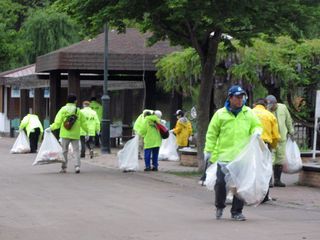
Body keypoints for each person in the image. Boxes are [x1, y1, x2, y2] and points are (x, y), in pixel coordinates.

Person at [204, 85, 262, 221]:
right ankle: (219, 205)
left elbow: (256, 125)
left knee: (239, 186)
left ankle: (237, 211)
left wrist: (257, 132)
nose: (240, 100)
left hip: (242, 157)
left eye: (242, 97)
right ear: (230, 98)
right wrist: (208, 150)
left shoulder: (248, 113)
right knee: (220, 184)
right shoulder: (220, 114)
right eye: (237, 97)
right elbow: (212, 134)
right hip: (224, 156)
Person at [46, 94, 88, 174]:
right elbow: (84, 123)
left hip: (65, 133)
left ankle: (64, 168)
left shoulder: (63, 109)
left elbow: (57, 122)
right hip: (75, 134)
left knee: (64, 151)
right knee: (76, 151)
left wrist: (51, 128)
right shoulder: (78, 110)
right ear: (75, 101)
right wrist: (87, 132)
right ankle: (77, 166)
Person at [253, 98, 281, 202]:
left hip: (252, 144)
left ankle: (250, 193)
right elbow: (275, 136)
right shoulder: (270, 115)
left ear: (255, 104)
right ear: (265, 105)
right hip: (265, 144)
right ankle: (265, 195)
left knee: (252, 168)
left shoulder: (249, 113)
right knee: (265, 169)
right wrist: (273, 146)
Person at [265, 95, 295, 187]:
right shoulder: (266, 111)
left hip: (282, 138)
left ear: (275, 103)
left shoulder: (283, 107)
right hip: (272, 139)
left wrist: (291, 131)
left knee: (280, 160)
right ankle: (268, 181)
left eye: (271, 105)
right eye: (268, 105)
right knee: (271, 160)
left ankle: (278, 180)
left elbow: (288, 120)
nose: (270, 107)